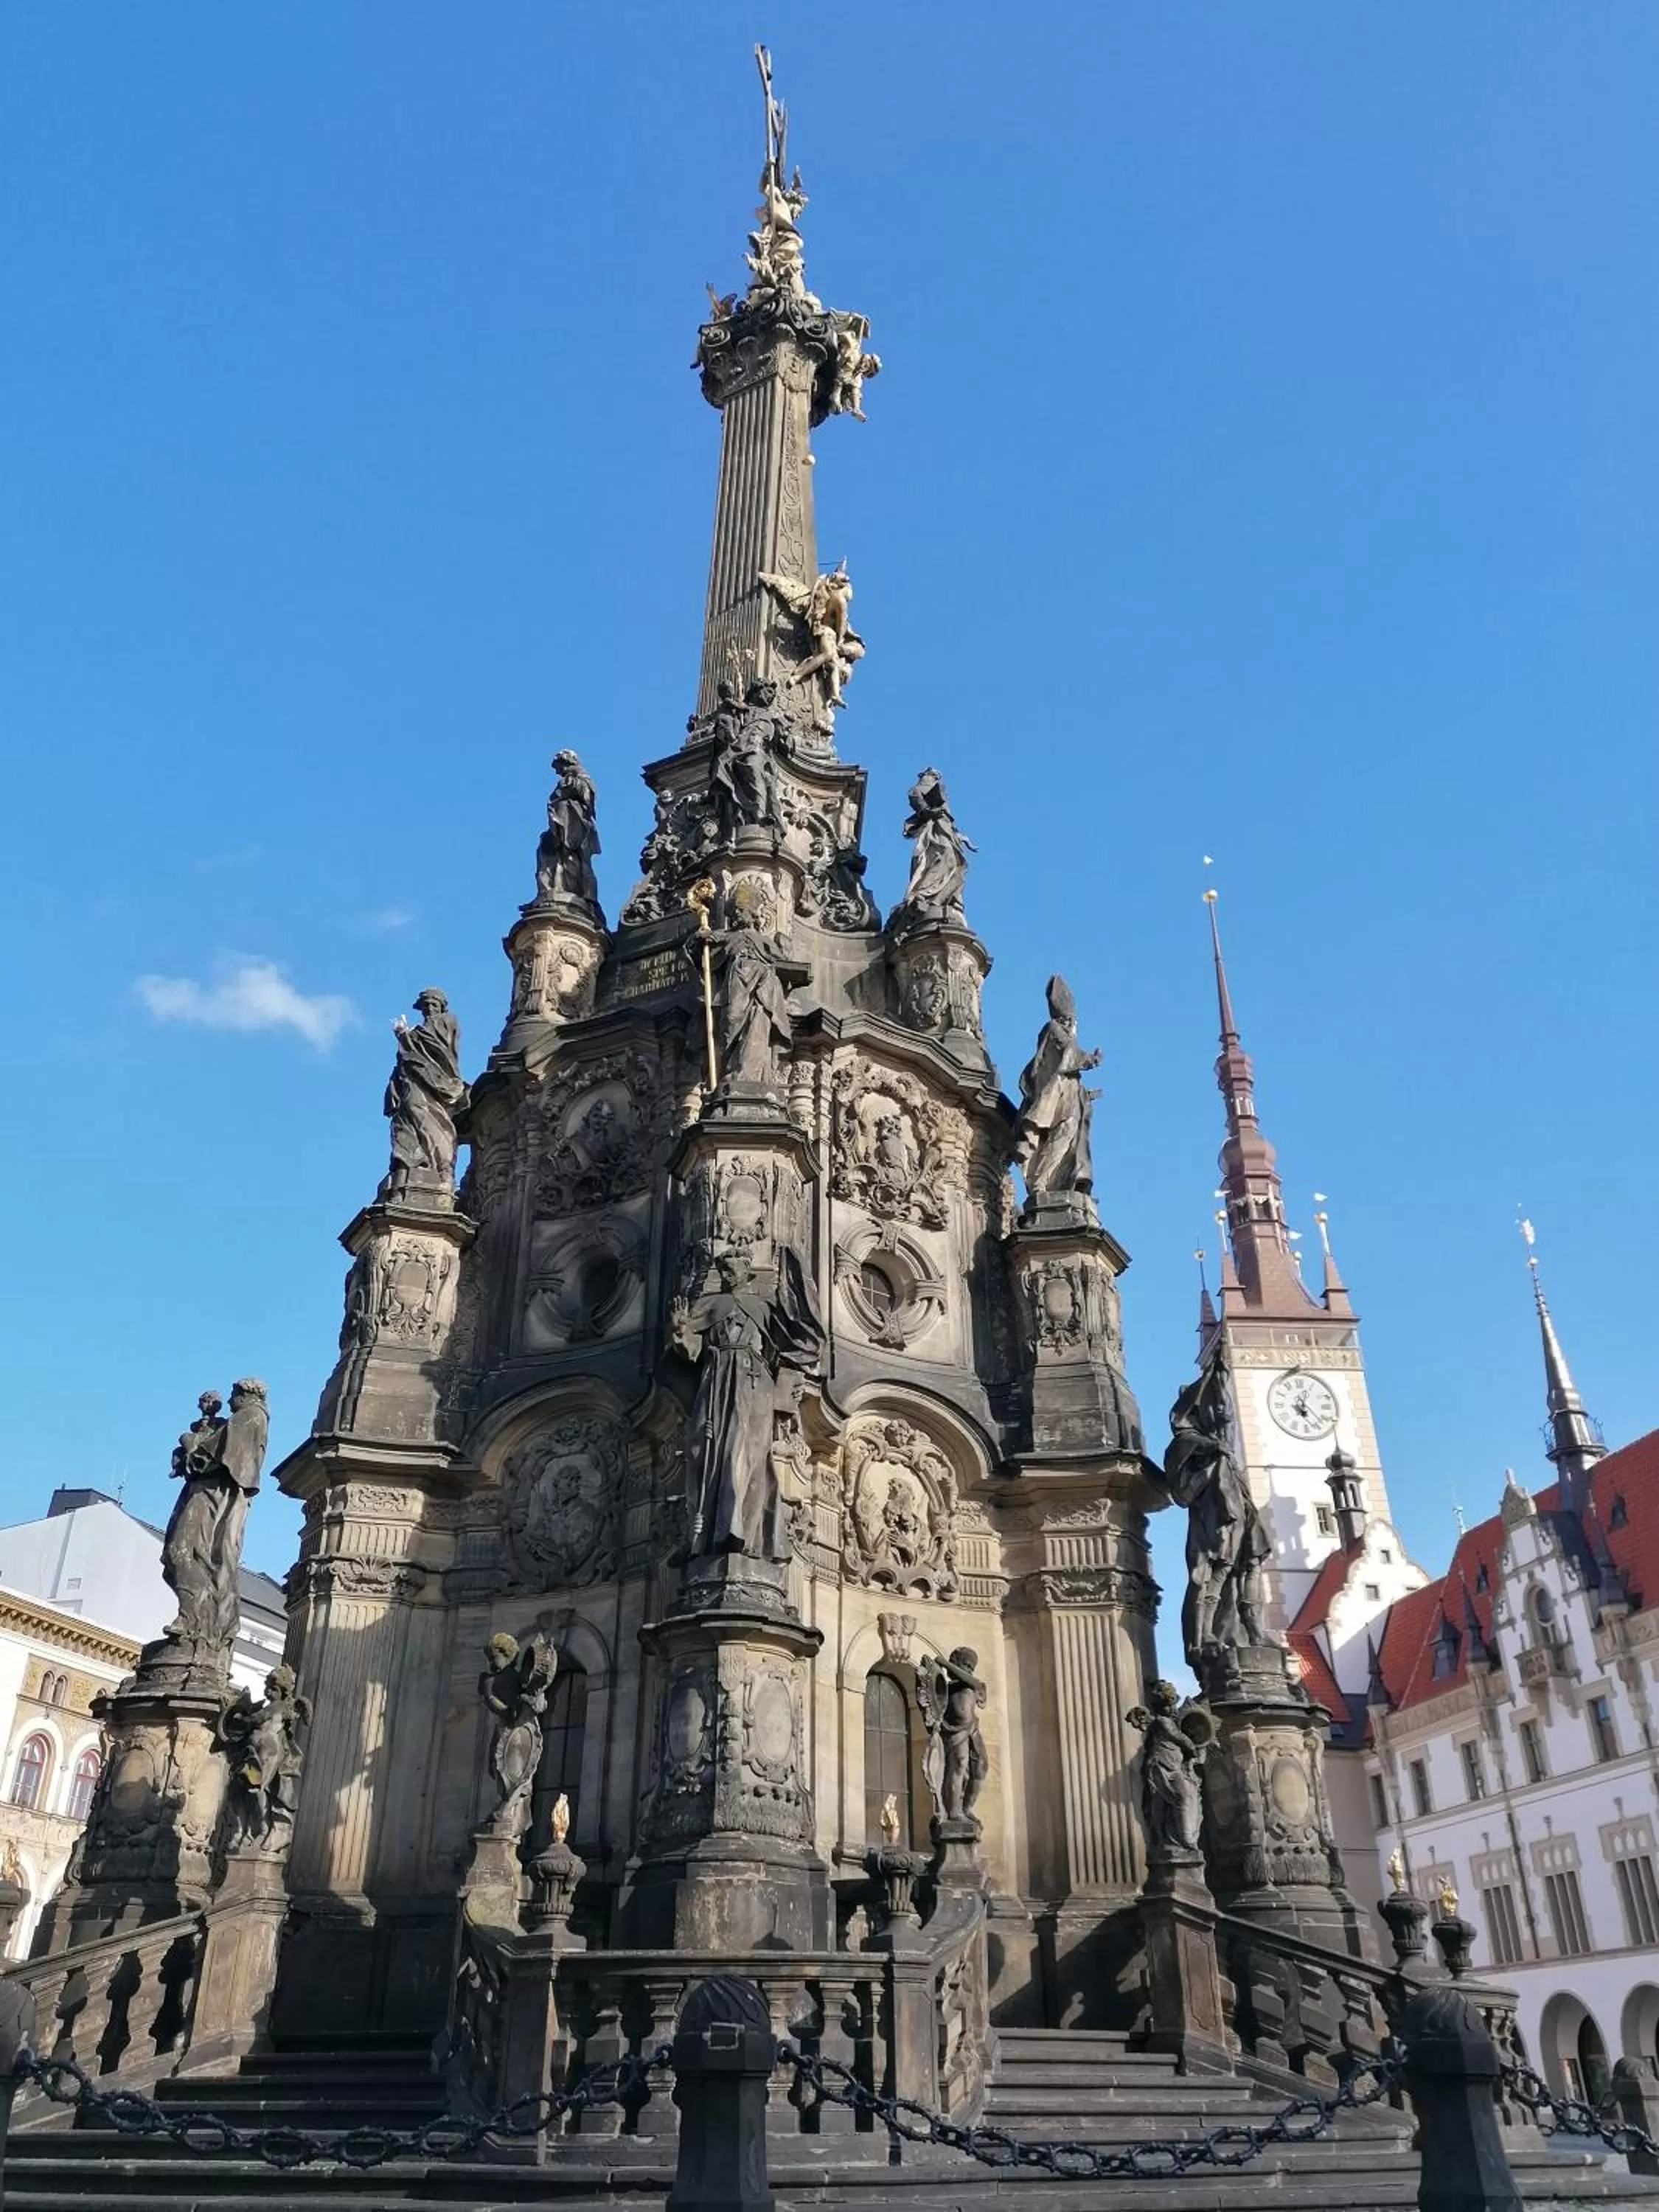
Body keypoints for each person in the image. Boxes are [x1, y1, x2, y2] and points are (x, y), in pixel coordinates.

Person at [160, 1380, 270, 1650]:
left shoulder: (248, 1417)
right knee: (189, 1555)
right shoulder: (242, 1420)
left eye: (233, 1395)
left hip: (212, 1495)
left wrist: (190, 1441)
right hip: (207, 1491)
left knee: (182, 1551)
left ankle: (192, 1620)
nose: (230, 1400)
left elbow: (210, 1456)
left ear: (244, 1396)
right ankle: (194, 1620)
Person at [381, 989, 467, 1200]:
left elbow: (436, 1045)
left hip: (436, 1080)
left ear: (442, 1006)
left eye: (433, 1004)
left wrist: (407, 1036)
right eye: (426, 1005)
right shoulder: (420, 1032)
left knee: (425, 1115)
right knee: (408, 1114)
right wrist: (406, 1038)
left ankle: (439, 1166)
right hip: (415, 1078)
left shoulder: (447, 1020)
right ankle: (415, 1159)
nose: (429, 1009)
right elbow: (411, 1053)